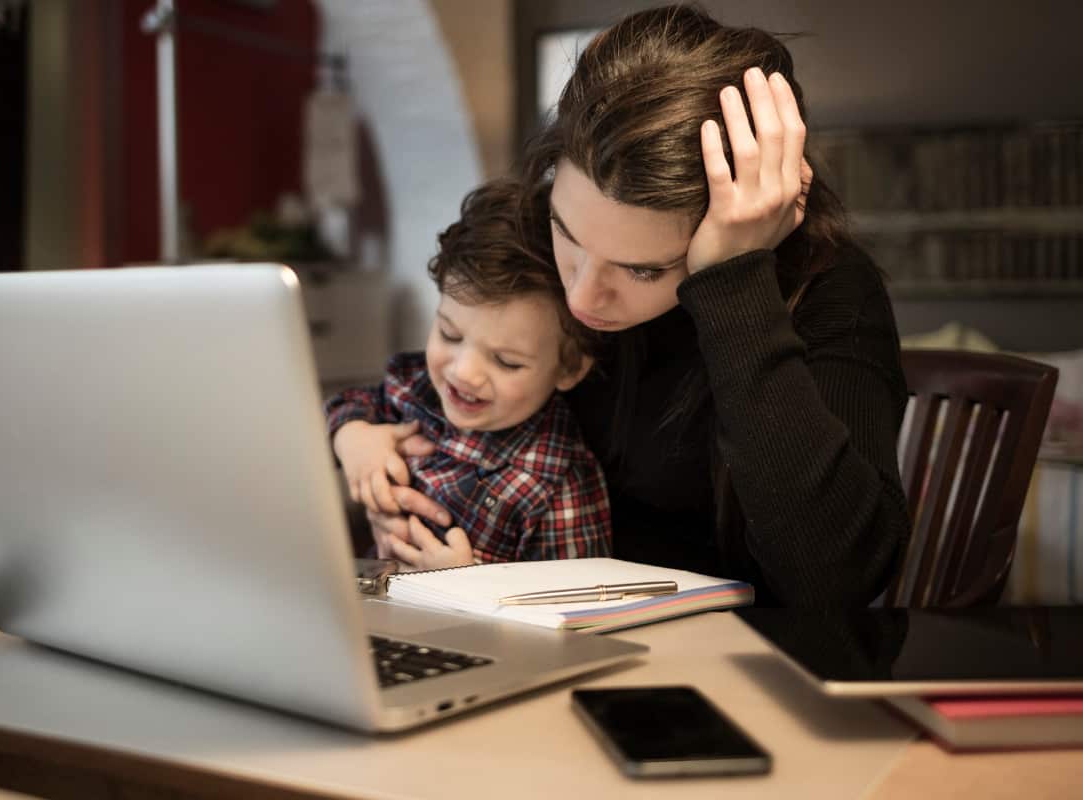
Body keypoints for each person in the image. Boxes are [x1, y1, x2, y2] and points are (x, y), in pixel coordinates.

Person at [346, 5, 909, 607]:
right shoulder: (529, 243)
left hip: (736, 660)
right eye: (567, 231)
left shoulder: (829, 291)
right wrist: (373, 463)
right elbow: (441, 407)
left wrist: (734, 283)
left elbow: (836, 581)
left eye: (643, 269)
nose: (583, 298)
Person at [325, 178, 610, 569]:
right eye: (449, 334)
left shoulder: (557, 481)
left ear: (570, 367)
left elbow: (575, 605)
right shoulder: (416, 388)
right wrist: (352, 438)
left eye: (506, 361)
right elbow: (347, 403)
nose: (464, 373)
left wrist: (468, 583)